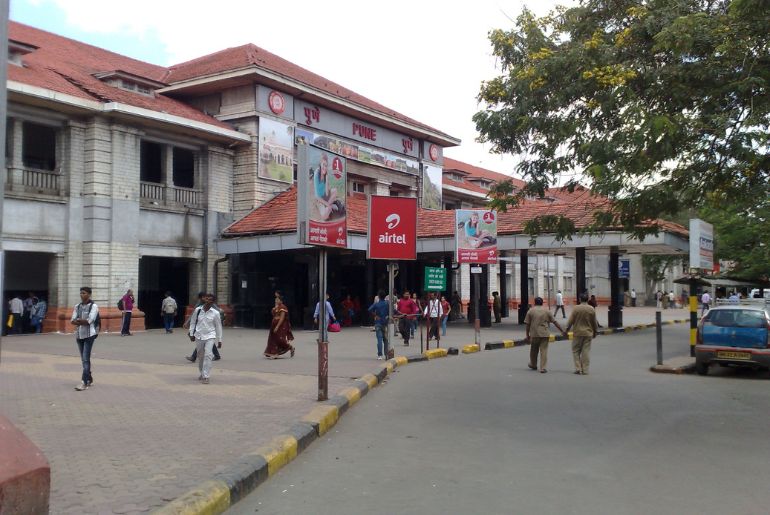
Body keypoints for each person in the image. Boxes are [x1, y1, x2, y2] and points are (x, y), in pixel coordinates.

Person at [524, 297, 566, 374]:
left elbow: (527, 324)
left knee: (533, 350)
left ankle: (533, 364)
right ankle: (543, 368)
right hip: (545, 333)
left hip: (534, 334)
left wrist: (527, 335)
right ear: (542, 303)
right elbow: (555, 322)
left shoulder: (530, 311)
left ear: (534, 302)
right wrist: (562, 331)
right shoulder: (547, 311)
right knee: (544, 351)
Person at [188, 293, 223, 384]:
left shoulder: (215, 313)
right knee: (201, 356)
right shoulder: (198, 310)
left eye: (210, 300)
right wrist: (191, 333)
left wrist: (219, 339)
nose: (208, 301)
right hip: (199, 335)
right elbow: (192, 322)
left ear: (213, 302)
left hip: (210, 336)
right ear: (204, 299)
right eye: (207, 299)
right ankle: (202, 372)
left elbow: (218, 326)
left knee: (208, 355)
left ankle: (206, 376)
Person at [70, 287, 99, 391]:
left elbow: (90, 321)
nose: (82, 295)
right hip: (79, 335)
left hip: (89, 336)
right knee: (84, 359)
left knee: (86, 358)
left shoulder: (93, 306)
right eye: (81, 293)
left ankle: (84, 382)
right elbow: (72, 320)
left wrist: (79, 320)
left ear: (89, 294)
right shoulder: (77, 306)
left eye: (84, 293)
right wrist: (81, 320)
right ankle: (89, 378)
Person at [565, 293, 599, 375]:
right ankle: (585, 370)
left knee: (576, 351)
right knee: (586, 351)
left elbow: (570, 321)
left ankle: (578, 368)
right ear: (587, 299)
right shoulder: (591, 309)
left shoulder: (576, 308)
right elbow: (594, 322)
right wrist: (595, 332)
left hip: (578, 333)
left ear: (580, 299)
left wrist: (566, 330)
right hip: (588, 333)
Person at [185, 292, 222, 362]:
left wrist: (220, 339)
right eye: (204, 298)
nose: (205, 300)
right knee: (206, 340)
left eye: (206, 298)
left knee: (205, 340)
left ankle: (194, 356)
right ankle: (217, 355)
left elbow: (218, 313)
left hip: (209, 327)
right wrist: (187, 322)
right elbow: (193, 315)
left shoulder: (212, 306)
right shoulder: (199, 306)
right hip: (200, 326)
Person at [313, 153, 340, 221]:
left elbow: (327, 193)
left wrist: (327, 179)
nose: (325, 167)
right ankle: (329, 207)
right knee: (325, 216)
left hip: (325, 197)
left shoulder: (325, 174)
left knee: (335, 190)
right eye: (323, 165)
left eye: (326, 165)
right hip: (319, 200)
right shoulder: (317, 173)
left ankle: (329, 206)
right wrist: (327, 204)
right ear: (320, 164)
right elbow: (317, 196)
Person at [368, 290, 390, 360]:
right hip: (385, 323)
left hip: (378, 323)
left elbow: (369, 309)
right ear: (385, 297)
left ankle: (380, 355)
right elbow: (393, 311)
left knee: (379, 340)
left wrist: (375, 315)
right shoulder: (387, 303)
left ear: (379, 296)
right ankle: (386, 354)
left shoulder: (376, 304)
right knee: (385, 339)